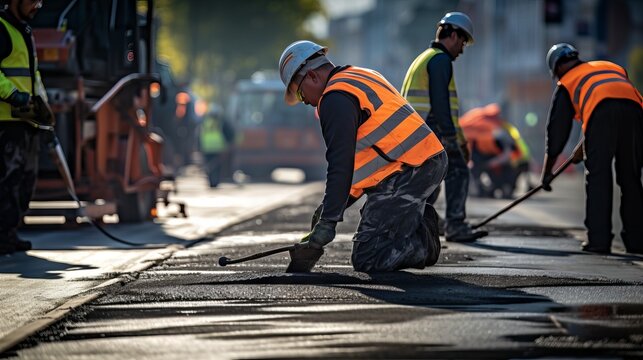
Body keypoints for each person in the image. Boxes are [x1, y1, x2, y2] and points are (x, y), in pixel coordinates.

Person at [278, 40, 448, 272]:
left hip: (410, 171)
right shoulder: (360, 76)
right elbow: (365, 160)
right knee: (375, 235)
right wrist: (332, 206)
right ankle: (413, 216)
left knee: (369, 257)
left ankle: (424, 241)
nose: (306, 102)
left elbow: (340, 164)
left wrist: (328, 221)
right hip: (420, 163)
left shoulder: (334, 98)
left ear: (312, 77)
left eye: (300, 93)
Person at [541, 43, 642, 254]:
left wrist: (547, 173)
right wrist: (584, 145)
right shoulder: (609, 67)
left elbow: (556, 133)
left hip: (602, 113)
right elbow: (609, 106)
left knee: (598, 176)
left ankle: (599, 240)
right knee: (631, 178)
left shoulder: (567, 81)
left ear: (558, 67)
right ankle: (637, 241)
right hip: (635, 111)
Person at [400, 12, 487, 242]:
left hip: (416, 132)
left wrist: (460, 140)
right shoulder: (440, 61)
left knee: (431, 180)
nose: (462, 49)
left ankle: (423, 222)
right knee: (458, 172)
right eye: (463, 41)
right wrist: (451, 139)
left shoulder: (424, 58)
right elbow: (441, 105)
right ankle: (455, 226)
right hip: (430, 130)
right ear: (454, 35)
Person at [0, 0, 47, 255]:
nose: (37, 6)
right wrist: (13, 95)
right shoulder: (2, 29)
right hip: (6, 121)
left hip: (26, 119)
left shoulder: (24, 31)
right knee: (8, 181)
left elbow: (34, 76)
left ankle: (10, 232)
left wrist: (44, 110)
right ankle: (3, 236)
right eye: (32, 1)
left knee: (25, 180)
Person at [460, 103, 533, 199]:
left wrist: (490, 163)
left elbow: (509, 153)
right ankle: (487, 188)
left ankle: (499, 187)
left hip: (507, 163)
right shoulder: (490, 128)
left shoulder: (496, 130)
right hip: (496, 161)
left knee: (503, 178)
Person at [199, 104, 235, 187]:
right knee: (217, 167)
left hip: (207, 148)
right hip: (217, 148)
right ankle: (215, 182)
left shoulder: (205, 121)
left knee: (210, 166)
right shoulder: (221, 122)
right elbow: (229, 133)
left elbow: (199, 135)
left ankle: (211, 182)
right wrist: (229, 144)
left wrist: (199, 147)